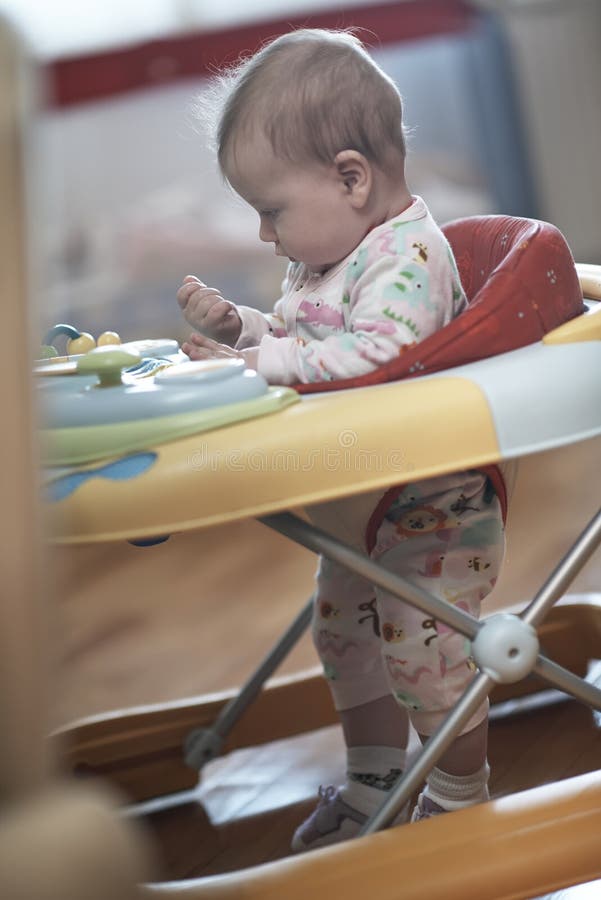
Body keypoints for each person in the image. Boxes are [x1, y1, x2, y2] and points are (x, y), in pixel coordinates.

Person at [177, 28, 505, 852]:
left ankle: (461, 798)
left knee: (423, 652)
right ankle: (375, 786)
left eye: (271, 210)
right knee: (345, 635)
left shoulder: (406, 259)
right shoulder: (327, 262)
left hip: (434, 504)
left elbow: (375, 354)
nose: (263, 234)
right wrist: (243, 328)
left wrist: (262, 360)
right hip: (366, 501)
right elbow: (307, 338)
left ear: (350, 178)